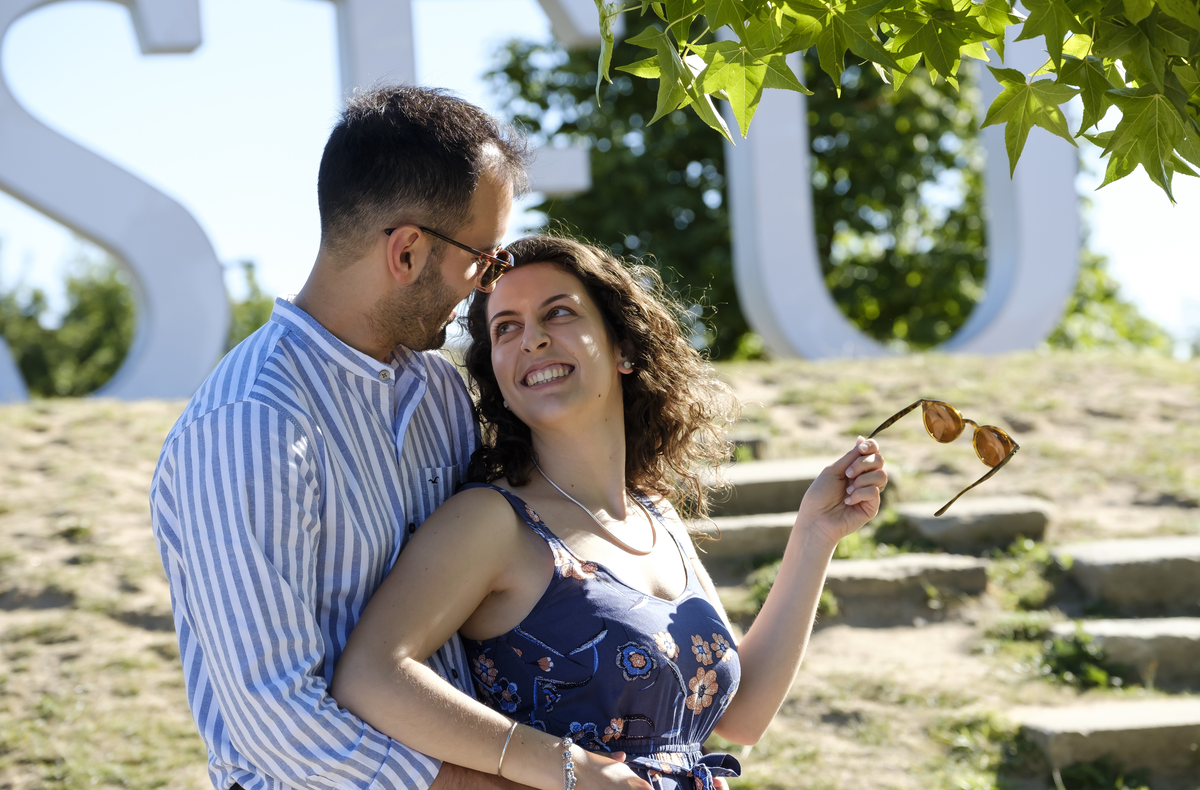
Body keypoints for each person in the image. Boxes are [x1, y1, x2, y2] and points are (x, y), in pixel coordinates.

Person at [329, 236, 888, 790]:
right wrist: (564, 766)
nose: (533, 339)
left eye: (558, 313)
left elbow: (740, 717)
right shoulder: (491, 521)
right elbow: (368, 674)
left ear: (623, 347)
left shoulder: (657, 515)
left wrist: (815, 535)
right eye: (506, 328)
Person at [148, 85, 535, 790]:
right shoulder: (250, 424)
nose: (485, 285)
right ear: (407, 251)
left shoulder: (441, 392)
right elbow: (278, 719)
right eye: (484, 259)